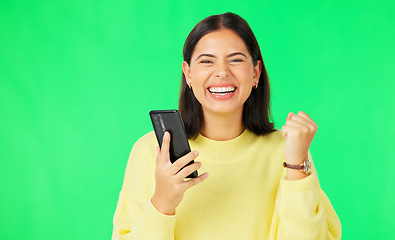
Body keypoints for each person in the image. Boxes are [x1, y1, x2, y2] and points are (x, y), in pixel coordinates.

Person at [112, 12, 341, 240]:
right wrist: (161, 204)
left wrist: (296, 165)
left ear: (255, 73)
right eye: (207, 61)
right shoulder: (151, 152)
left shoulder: (289, 150)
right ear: (188, 74)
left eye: (236, 59)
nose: (222, 72)